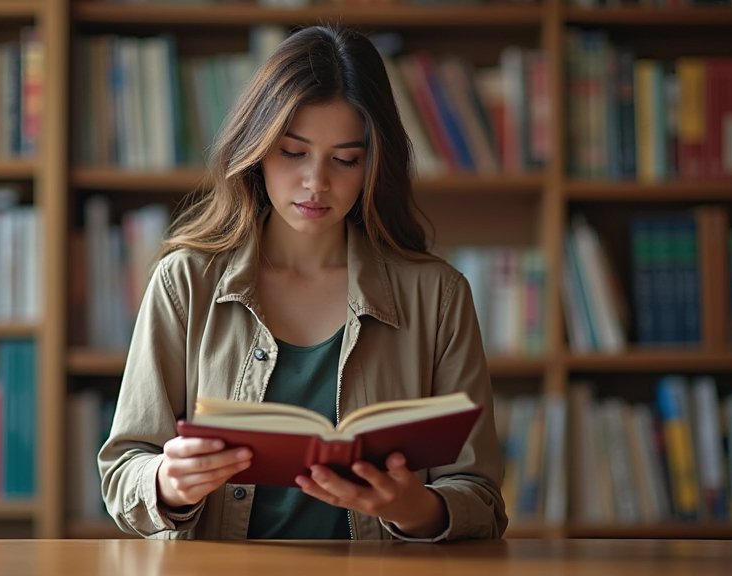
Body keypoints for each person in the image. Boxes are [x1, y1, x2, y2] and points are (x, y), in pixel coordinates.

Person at [98, 25, 506, 541]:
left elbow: (482, 500)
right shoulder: (186, 281)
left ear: (372, 167)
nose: (317, 181)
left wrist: (414, 507)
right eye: (293, 152)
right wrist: (167, 481)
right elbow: (122, 470)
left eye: (345, 159)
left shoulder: (438, 295)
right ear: (257, 149)